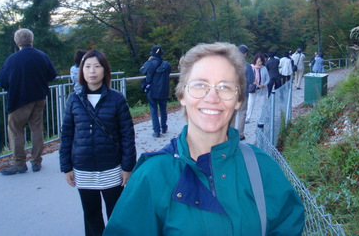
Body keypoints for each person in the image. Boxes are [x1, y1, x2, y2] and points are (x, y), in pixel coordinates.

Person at [103, 42, 305, 236]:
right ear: (182, 95)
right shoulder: (152, 176)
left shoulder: (262, 169)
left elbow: (287, 224)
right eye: (200, 85)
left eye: (225, 87)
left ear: (238, 100)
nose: (212, 97)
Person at [60, 50, 136, 236]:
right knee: (91, 215)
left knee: (116, 214)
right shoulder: (74, 100)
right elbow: (67, 134)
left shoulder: (117, 99)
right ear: (81, 71)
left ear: (105, 70)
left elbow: (127, 135)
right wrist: (66, 166)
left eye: (97, 66)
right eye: (87, 66)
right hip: (83, 169)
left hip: (111, 168)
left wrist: (127, 166)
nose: (92, 71)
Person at [0, 28, 57, 175]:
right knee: (36, 128)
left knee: (16, 130)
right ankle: (36, 162)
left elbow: (3, 81)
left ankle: (19, 163)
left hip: (19, 99)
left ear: (17, 41)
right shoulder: (42, 56)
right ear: (32, 40)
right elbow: (52, 74)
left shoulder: (12, 59)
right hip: (39, 97)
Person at [140, 45, 172, 138]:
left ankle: (156, 131)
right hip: (164, 90)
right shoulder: (167, 65)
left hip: (153, 90)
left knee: (153, 110)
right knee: (163, 109)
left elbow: (142, 71)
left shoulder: (150, 63)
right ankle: (164, 128)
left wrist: (148, 61)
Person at [230, 44, 254, 141]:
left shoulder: (232, 64)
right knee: (242, 113)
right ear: (245, 54)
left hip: (233, 92)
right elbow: (252, 80)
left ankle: (230, 133)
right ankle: (240, 134)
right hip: (244, 91)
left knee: (232, 112)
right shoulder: (248, 66)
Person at [245, 53, 270, 123]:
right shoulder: (251, 67)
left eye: (261, 61)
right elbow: (247, 78)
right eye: (258, 61)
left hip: (262, 89)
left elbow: (268, 78)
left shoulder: (264, 68)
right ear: (255, 60)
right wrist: (252, 82)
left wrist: (264, 84)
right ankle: (248, 117)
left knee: (262, 103)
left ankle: (263, 117)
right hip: (253, 89)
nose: (260, 63)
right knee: (250, 103)